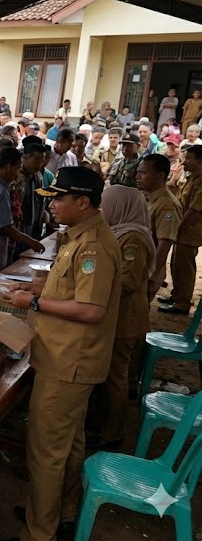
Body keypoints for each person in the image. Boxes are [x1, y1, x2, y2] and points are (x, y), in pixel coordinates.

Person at [3, 167, 120, 541]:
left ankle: (39, 531)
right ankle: (62, 511)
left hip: (69, 363)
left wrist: (35, 300)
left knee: (45, 450)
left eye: (59, 198)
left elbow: (92, 309)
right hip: (67, 358)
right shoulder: (78, 237)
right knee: (68, 444)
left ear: (82, 202)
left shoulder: (93, 247)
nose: (52, 206)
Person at [97, 185, 153, 448]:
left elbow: (128, 281)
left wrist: (93, 292)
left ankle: (112, 435)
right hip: (119, 313)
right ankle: (105, 425)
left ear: (120, 206)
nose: (102, 211)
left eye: (105, 205)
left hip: (126, 316)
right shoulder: (121, 232)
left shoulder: (133, 238)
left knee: (115, 374)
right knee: (111, 372)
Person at [0, 148, 46, 274]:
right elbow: (5, 226)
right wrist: (30, 241)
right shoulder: (0, 191)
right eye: (17, 168)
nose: (17, 174)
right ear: (8, 167)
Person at [161, 145, 202, 315]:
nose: (185, 163)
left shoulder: (201, 182)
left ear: (200, 161)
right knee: (177, 265)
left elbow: (193, 211)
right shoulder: (192, 178)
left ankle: (183, 303)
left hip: (189, 231)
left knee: (184, 267)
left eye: (189, 158)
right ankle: (176, 295)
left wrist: (177, 227)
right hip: (183, 231)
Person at [137, 154, 182, 300]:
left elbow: (165, 242)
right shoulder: (148, 197)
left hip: (149, 267)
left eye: (143, 173)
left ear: (159, 176)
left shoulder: (167, 205)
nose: (137, 176)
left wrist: (153, 273)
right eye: (138, 172)